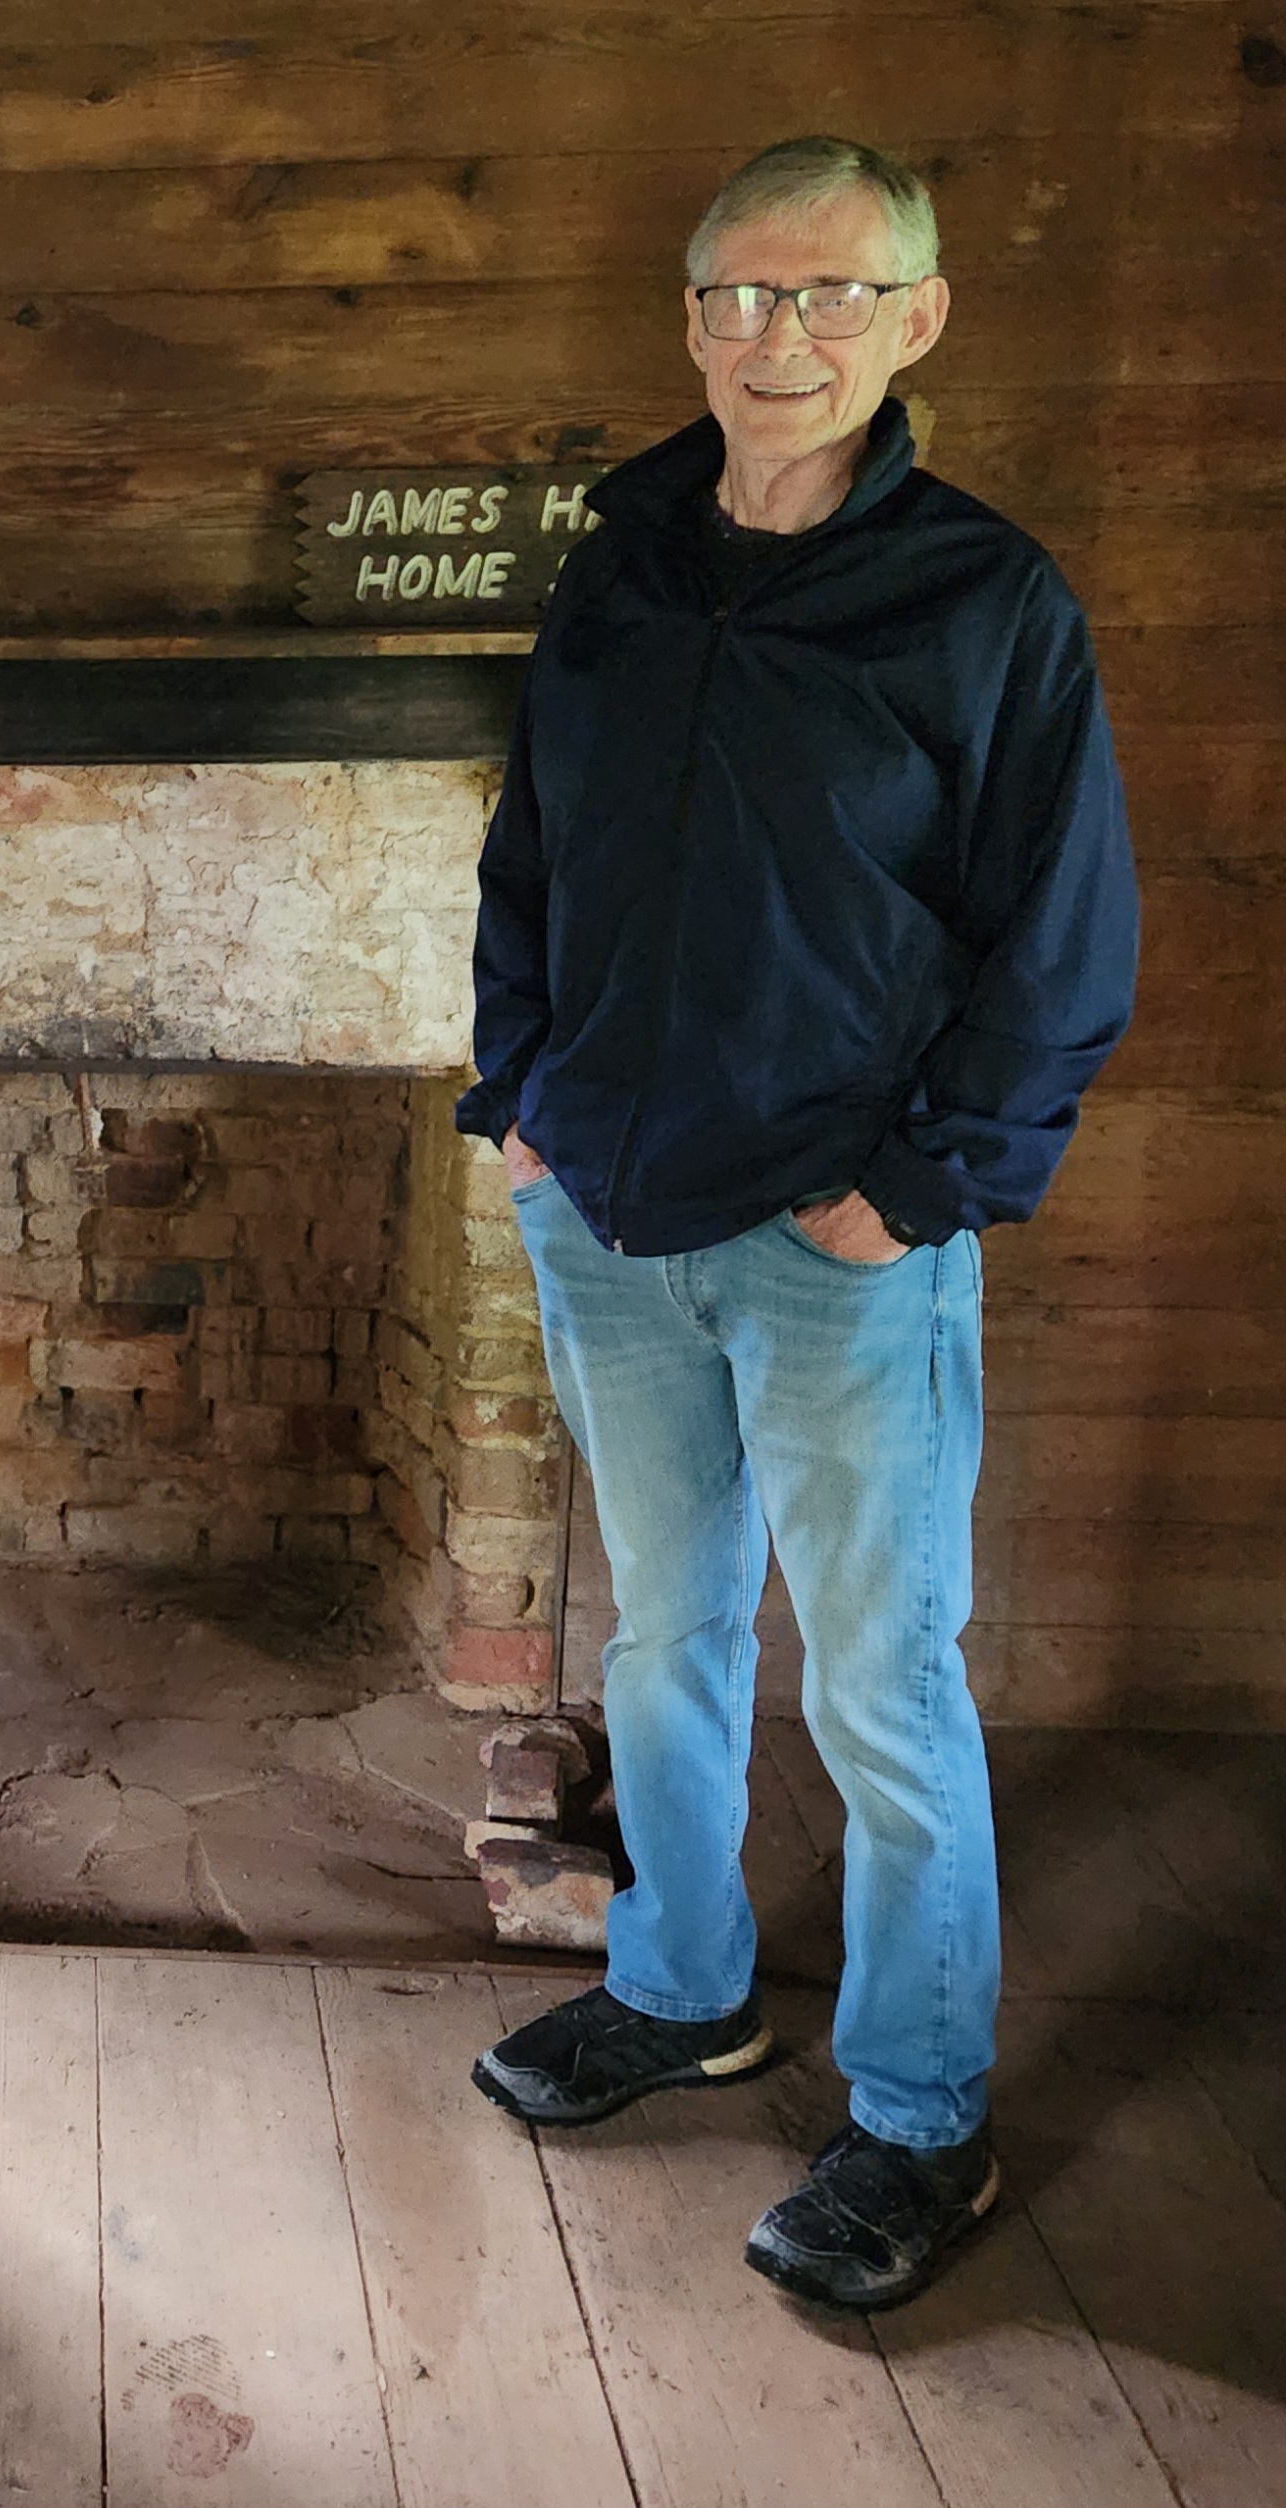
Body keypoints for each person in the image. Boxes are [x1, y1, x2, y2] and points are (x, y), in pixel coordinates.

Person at [456, 138, 1137, 2311]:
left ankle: (924, 2122)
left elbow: (1061, 944)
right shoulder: (628, 555)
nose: (780, 338)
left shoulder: (987, 604)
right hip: (612, 1212)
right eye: (740, 298)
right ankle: (681, 1990)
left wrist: (916, 1192)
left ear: (918, 318)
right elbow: (535, 841)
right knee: (665, 1640)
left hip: (843, 1237)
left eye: (832, 296)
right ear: (690, 320)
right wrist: (520, 1094)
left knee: (880, 1686)